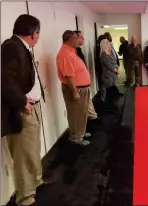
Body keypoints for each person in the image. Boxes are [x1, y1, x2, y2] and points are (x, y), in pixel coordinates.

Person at [1, 14, 53, 206]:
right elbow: (5, 82)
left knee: (32, 150)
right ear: (33, 33)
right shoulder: (11, 47)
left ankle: (36, 181)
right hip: (21, 111)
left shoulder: (22, 47)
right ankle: (25, 199)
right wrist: (23, 102)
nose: (38, 39)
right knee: (24, 156)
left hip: (31, 108)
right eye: (38, 34)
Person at [56, 30, 91, 146]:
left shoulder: (71, 51)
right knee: (76, 114)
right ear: (70, 39)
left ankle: (80, 132)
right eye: (77, 38)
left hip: (82, 88)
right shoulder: (65, 54)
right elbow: (68, 76)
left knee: (82, 113)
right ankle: (76, 138)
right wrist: (75, 92)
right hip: (76, 89)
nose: (79, 40)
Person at [73, 30, 99, 121]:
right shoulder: (72, 53)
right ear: (74, 38)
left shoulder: (78, 51)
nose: (83, 38)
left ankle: (92, 120)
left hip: (83, 85)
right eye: (81, 37)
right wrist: (75, 91)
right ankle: (80, 133)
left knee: (87, 105)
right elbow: (69, 74)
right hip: (78, 87)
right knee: (81, 109)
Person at [100, 39, 120, 113]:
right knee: (110, 94)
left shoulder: (110, 53)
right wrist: (116, 70)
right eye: (108, 44)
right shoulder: (103, 56)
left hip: (112, 76)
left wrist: (117, 68)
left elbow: (115, 62)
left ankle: (112, 106)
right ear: (105, 45)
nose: (110, 45)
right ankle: (108, 108)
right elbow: (110, 66)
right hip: (108, 77)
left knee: (113, 93)